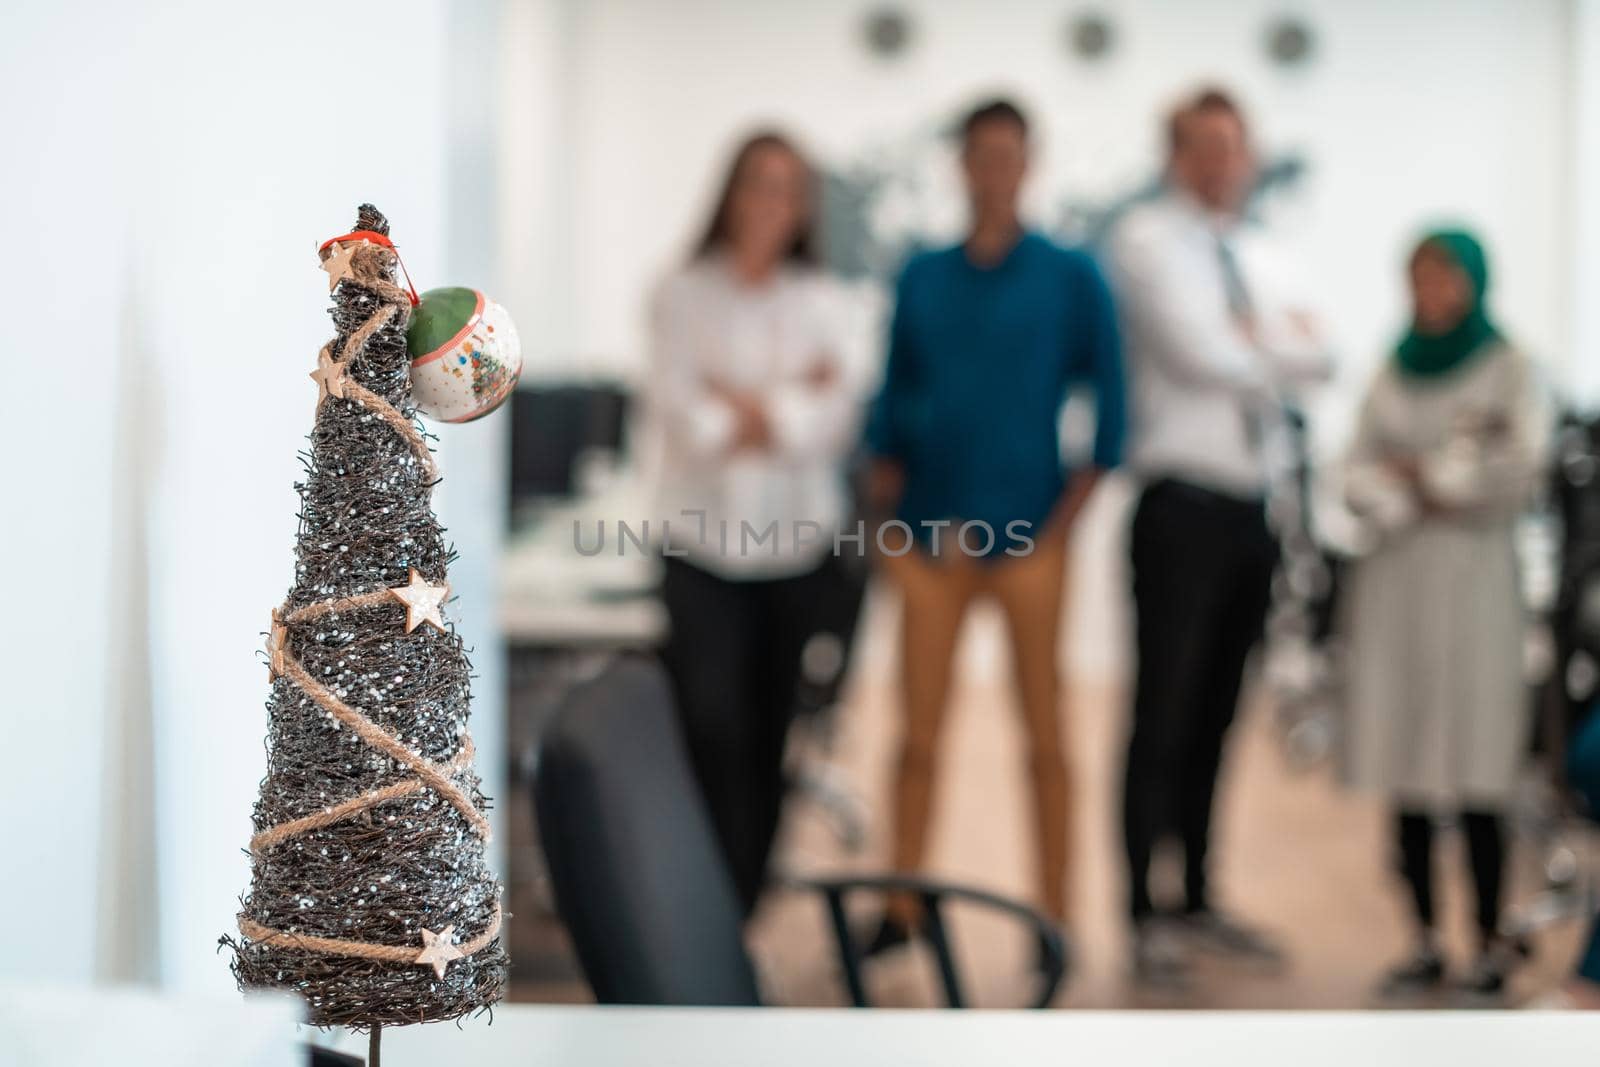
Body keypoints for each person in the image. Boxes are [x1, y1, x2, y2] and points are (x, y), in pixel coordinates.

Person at [862, 98, 1125, 951]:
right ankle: (902, 907)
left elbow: (1110, 407)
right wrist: (882, 529)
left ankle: (1053, 914)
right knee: (917, 737)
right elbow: (891, 407)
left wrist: (1067, 521)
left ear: (1028, 163)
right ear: (963, 164)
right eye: (980, 155)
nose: (994, 170)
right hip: (930, 541)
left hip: (1029, 540)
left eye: (1009, 155)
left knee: (1046, 734)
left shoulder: (1070, 276)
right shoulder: (923, 276)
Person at [1105, 87, 1332, 983]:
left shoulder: (1262, 253)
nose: (1218, 161)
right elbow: (1200, 351)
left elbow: (1326, 356)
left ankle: (1197, 895)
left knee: (1219, 717)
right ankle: (1138, 912)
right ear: (1174, 153)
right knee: (1160, 714)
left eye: (1232, 145)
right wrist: (1271, 345)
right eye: (1201, 144)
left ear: (1250, 155)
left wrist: (1260, 339)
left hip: (1253, 511)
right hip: (1179, 508)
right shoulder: (1147, 242)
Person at [643, 130, 864, 916]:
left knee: (771, 733)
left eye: (786, 189)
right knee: (708, 723)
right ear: (729, 193)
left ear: (802, 206)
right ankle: (696, 894)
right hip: (699, 550)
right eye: (756, 184)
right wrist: (789, 394)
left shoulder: (827, 302)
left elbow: (833, 423)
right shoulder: (679, 291)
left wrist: (741, 396)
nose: (769, 203)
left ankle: (745, 902)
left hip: (798, 551)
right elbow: (690, 423)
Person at [1341, 229, 1546, 1000]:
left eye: (1444, 275)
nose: (1431, 290)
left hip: (1474, 584)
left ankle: (1491, 939)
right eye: (1418, 275)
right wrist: (1412, 487)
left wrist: (1425, 476)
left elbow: (1515, 467)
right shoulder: (1391, 366)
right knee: (1407, 766)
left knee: (1476, 768)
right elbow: (1354, 469)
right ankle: (1423, 938)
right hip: (1399, 584)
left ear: (1472, 281)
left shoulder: (1507, 364)